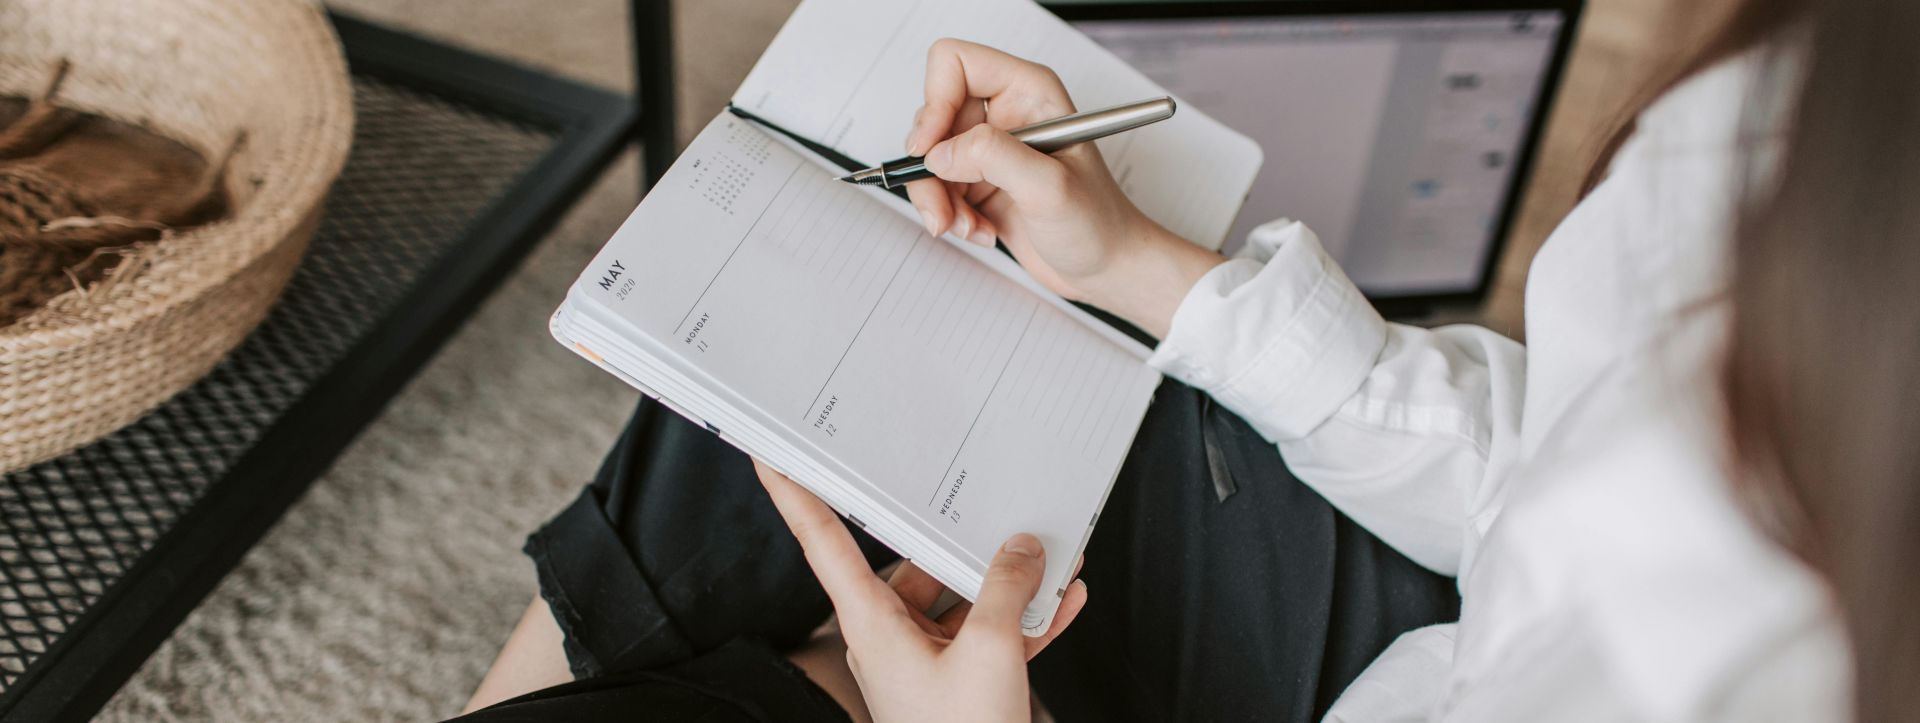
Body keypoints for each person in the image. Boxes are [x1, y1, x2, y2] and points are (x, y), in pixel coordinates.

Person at [456, 0, 1918, 719]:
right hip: (1429, 661)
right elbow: (1556, 473)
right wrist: (1154, 274)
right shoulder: (1811, 107)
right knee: (850, 328)